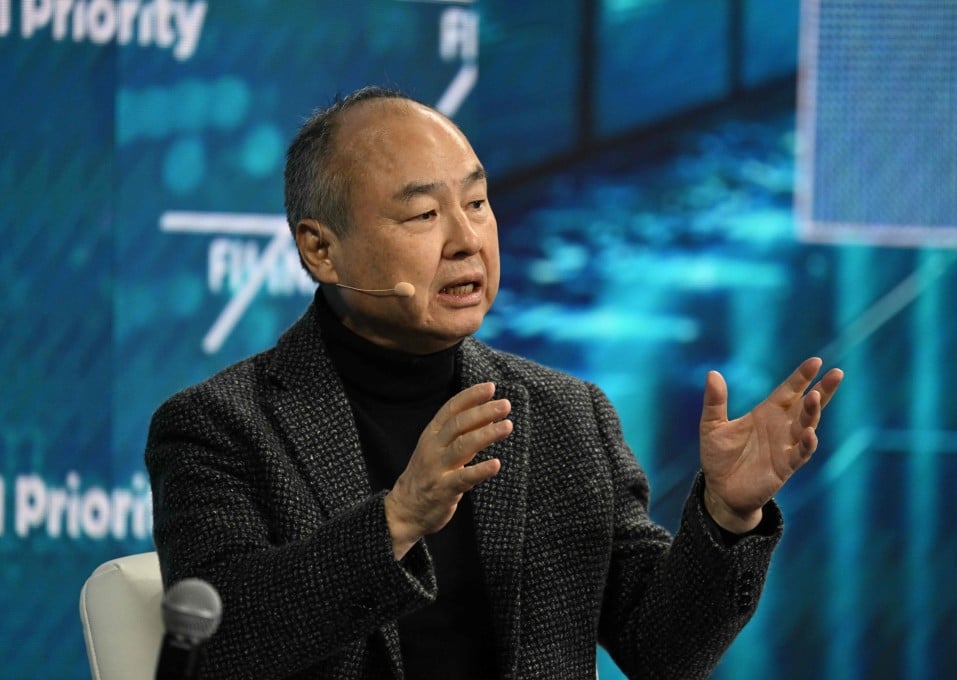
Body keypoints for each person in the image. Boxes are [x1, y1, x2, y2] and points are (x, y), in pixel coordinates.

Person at [145, 86, 844, 680]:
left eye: (477, 203)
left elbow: (661, 650)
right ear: (320, 249)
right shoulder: (219, 426)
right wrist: (399, 520)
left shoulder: (568, 414)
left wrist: (727, 516)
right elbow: (217, 644)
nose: (465, 239)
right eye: (423, 215)